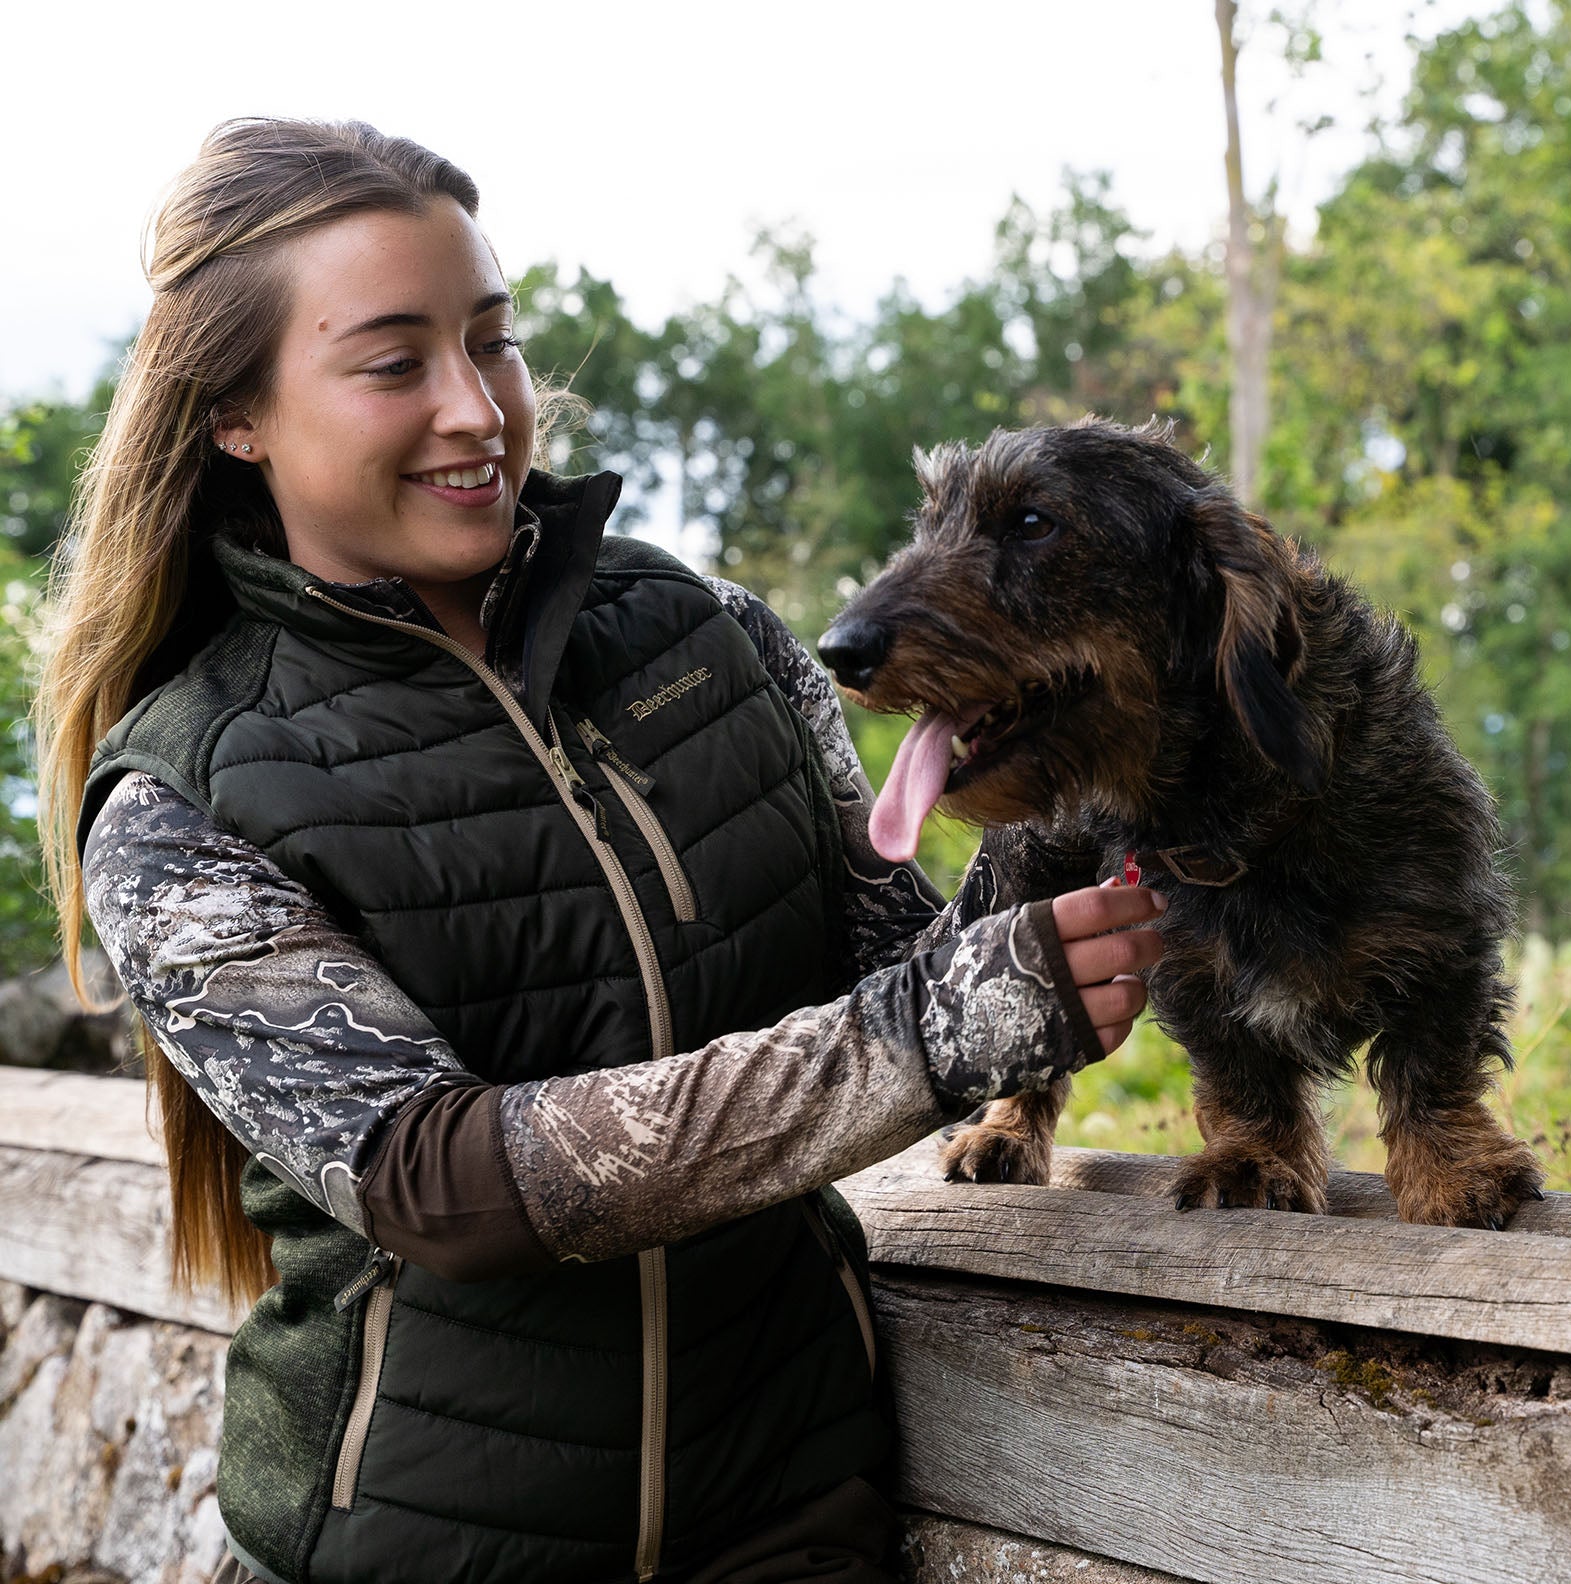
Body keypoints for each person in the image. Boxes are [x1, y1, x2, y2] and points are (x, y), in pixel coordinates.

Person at [37, 118, 1165, 1584]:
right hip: (416, 1554)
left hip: (796, 1515)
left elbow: (904, 955)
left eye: (491, 342)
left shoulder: (714, 638)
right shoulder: (185, 797)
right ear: (234, 414)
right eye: (394, 363)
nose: (477, 409)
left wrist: (1092, 760)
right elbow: (441, 1181)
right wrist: (928, 1036)